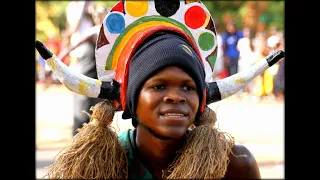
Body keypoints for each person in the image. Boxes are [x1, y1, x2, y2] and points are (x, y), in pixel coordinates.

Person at [35, 1, 284, 179]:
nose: (176, 96)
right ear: (129, 98)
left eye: (188, 86)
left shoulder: (234, 166)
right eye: (159, 85)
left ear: (201, 98)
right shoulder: (96, 166)